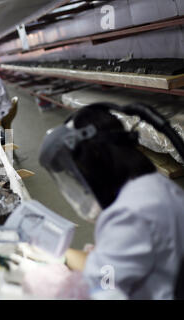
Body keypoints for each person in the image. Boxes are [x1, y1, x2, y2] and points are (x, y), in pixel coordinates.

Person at [38, 103, 184, 299]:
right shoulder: (154, 185)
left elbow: (105, 285)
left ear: (96, 160)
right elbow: (109, 262)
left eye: (77, 174)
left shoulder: (128, 214)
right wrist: (66, 255)